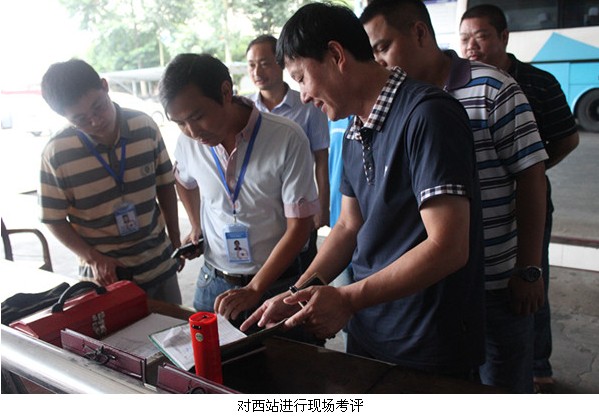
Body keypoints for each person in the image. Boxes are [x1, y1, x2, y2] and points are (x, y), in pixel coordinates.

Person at [242, 2, 486, 379]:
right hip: (370, 330)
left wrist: (347, 298)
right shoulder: (355, 129)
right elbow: (347, 227)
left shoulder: (428, 115)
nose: (303, 95)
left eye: (302, 78)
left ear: (336, 55)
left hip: (426, 339)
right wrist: (297, 294)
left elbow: (448, 246)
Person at [360, 0, 549, 393]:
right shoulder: (389, 105)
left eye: (383, 47)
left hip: (495, 284)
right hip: (433, 290)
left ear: (418, 32)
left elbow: (532, 179)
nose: (378, 62)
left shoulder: (492, 89)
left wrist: (528, 268)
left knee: (503, 389)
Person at [459, 4, 580, 393]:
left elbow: (568, 138)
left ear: (504, 36)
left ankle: (538, 363)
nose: (471, 45)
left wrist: (531, 170)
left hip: (530, 200)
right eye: (464, 38)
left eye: (481, 36)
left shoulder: (538, 82)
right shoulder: (459, 87)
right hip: (485, 211)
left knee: (531, 278)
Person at [158, 53, 319, 324]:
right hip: (215, 281)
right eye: (180, 123)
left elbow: (300, 227)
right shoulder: (187, 144)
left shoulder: (286, 138)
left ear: (225, 92)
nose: (193, 131)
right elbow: (184, 182)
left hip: (276, 285)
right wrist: (196, 226)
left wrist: (255, 288)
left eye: (198, 116)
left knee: (284, 351)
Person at [39, 59, 182, 304]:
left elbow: (165, 184)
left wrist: (176, 240)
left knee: (176, 326)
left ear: (105, 86)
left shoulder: (145, 127)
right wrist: (93, 257)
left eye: (98, 107)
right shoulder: (57, 153)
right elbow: (53, 218)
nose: (95, 121)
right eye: (81, 119)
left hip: (159, 264)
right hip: (106, 280)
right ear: (64, 117)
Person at [246, 35, 330, 272]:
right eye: (251, 65)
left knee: (302, 272)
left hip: (300, 207)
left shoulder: (307, 105)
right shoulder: (245, 110)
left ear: (281, 63)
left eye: (264, 63)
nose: (257, 72)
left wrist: (322, 207)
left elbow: (321, 160)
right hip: (261, 212)